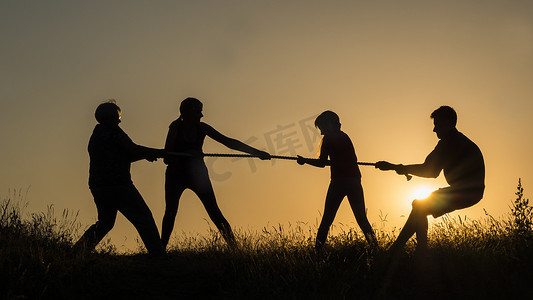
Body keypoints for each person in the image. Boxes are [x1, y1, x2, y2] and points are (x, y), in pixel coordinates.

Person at [161, 97, 270, 249]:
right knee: (171, 212)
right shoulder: (174, 128)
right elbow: (167, 157)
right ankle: (160, 250)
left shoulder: (202, 128)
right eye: (198, 112)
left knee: (214, 211)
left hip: (198, 174)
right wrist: (186, 154)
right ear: (187, 113)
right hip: (176, 175)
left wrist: (256, 153)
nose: (201, 115)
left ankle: (234, 248)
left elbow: (228, 142)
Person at [375, 105, 485, 254]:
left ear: (447, 123)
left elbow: (430, 171)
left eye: (437, 125)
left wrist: (397, 167)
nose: (434, 130)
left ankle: (405, 251)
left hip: (466, 191)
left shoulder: (449, 142)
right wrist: (399, 168)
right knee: (419, 205)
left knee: (420, 207)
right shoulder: (455, 140)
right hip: (470, 191)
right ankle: (408, 250)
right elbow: (430, 168)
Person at [75, 100, 166, 257]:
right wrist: (157, 152)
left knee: (105, 223)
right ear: (112, 117)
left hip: (99, 186)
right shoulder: (114, 131)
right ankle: (159, 256)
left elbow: (123, 156)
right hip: (119, 185)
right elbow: (132, 149)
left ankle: (77, 252)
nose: (120, 119)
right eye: (118, 116)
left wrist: (146, 155)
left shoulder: (96, 134)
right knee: (144, 218)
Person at [296, 111, 377, 251]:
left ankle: (317, 251)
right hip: (354, 180)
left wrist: (304, 161)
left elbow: (322, 163)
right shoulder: (345, 136)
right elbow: (348, 159)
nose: (321, 132)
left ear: (328, 125)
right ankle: (376, 247)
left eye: (321, 127)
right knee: (361, 218)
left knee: (327, 219)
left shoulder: (328, 138)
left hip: (339, 182)